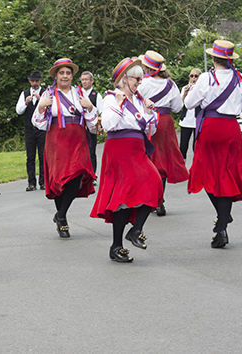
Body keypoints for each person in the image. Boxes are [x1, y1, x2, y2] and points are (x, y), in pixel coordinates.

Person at [91, 58, 162, 262]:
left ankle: (135, 230)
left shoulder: (140, 100)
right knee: (122, 199)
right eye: (137, 79)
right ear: (124, 79)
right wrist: (121, 104)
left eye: (140, 79)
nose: (140, 83)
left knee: (155, 183)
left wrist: (149, 112)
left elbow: (151, 129)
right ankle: (117, 246)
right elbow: (109, 124)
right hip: (119, 151)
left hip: (137, 149)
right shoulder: (111, 98)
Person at [184, 40, 242, 248]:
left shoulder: (206, 78)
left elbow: (189, 104)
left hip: (211, 127)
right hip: (231, 127)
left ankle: (223, 219)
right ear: (229, 59)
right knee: (228, 173)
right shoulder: (240, 78)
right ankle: (223, 220)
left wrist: (189, 92)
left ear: (213, 58)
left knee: (205, 172)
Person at [33, 58, 97, 238]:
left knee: (76, 178)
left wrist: (90, 107)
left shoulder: (80, 93)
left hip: (78, 140)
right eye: (61, 73)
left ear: (72, 76)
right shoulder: (48, 94)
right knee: (58, 180)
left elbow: (92, 124)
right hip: (56, 141)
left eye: (68, 73)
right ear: (56, 75)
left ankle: (60, 215)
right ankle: (62, 218)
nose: (65, 76)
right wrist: (40, 107)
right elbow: (38, 124)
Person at [138, 50, 188, 216]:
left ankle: (151, 199)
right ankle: (160, 200)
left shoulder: (142, 83)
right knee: (162, 160)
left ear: (146, 67)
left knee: (147, 158)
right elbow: (177, 107)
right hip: (165, 121)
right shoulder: (170, 84)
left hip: (147, 119)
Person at [15, 70, 46, 191]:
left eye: (37, 81)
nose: (35, 83)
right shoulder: (24, 94)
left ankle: (43, 182)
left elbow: (49, 110)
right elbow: (18, 111)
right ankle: (31, 182)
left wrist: (40, 101)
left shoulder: (45, 93)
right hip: (29, 129)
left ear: (40, 81)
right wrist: (26, 102)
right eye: (33, 81)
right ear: (29, 81)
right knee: (30, 156)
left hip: (42, 129)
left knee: (43, 156)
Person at [80, 71, 104, 176]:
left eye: (86, 79)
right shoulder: (77, 93)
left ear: (91, 81)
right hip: (80, 127)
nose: (84, 82)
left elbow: (101, 112)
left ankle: (92, 174)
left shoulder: (96, 95)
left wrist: (100, 128)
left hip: (91, 128)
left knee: (91, 151)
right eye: (82, 80)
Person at [179, 68, 202, 160]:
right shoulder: (185, 88)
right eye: (191, 76)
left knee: (196, 146)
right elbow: (180, 105)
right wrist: (184, 94)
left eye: (196, 76)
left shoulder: (201, 89)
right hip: (186, 120)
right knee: (183, 145)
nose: (193, 78)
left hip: (197, 120)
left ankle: (196, 168)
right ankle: (182, 169)